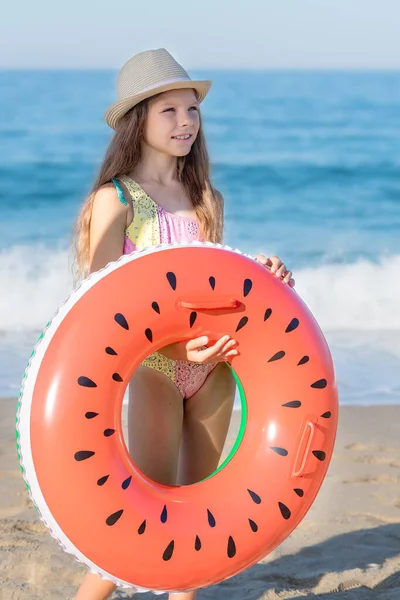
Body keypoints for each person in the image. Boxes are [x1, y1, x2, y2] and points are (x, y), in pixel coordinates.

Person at [72, 47, 295, 600]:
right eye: (169, 111)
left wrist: (259, 274)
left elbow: (210, 289)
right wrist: (173, 357)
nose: (186, 122)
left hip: (213, 367)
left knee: (196, 511)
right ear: (138, 120)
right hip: (154, 369)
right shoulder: (116, 200)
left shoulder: (205, 200)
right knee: (138, 517)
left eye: (192, 110)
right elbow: (97, 312)